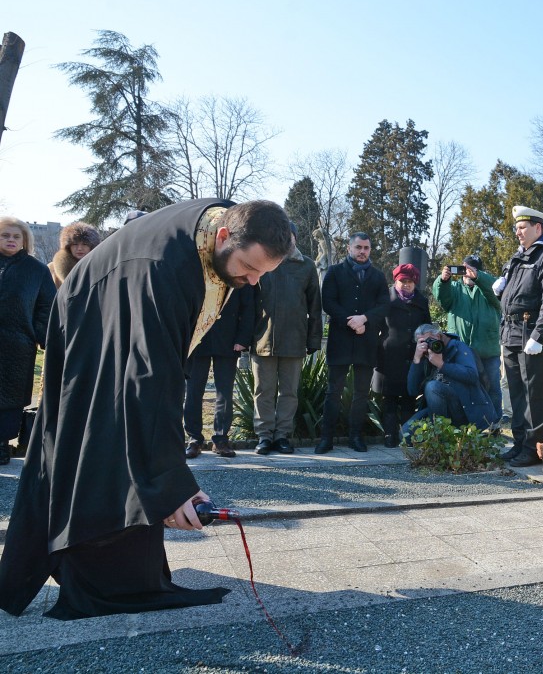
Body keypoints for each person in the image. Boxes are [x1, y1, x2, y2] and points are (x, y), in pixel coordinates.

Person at [0, 199, 292, 620]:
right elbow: (154, 386)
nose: (250, 281)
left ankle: (120, 568)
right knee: (101, 426)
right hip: (94, 309)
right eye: (249, 268)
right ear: (225, 237)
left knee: (123, 428)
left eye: (262, 273)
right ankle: (89, 562)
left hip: (122, 292)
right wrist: (172, 487)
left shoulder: (229, 225)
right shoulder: (166, 271)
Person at [494, 205, 543, 467]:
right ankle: (519, 443)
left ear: (538, 228)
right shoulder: (518, 258)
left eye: (522, 227)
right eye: (516, 228)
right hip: (511, 333)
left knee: (532, 393)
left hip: (531, 334)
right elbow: (516, 297)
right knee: (516, 393)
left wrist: (538, 335)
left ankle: (535, 449)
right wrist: (500, 291)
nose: (518, 232)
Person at [251, 223, 322, 455]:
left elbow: (315, 306)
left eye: (288, 235)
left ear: (295, 237)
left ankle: (282, 436)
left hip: (294, 339)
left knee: (289, 392)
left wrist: (313, 340)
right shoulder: (261, 263)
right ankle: (264, 436)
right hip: (263, 339)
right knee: (263, 390)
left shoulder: (307, 266)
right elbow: (249, 302)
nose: (284, 239)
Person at [315, 232, 389, 453]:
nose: (362, 252)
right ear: (349, 248)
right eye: (358, 247)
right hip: (341, 341)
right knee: (333, 391)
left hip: (366, 341)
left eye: (366, 248)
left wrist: (364, 319)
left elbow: (384, 304)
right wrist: (351, 321)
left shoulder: (377, 276)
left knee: (361, 393)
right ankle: (326, 438)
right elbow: (328, 301)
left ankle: (355, 437)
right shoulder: (335, 272)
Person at [0, 217, 56, 465]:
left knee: (10, 397)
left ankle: (2, 444)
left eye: (16, 236)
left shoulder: (37, 270)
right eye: (5, 235)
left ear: (25, 240)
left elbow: (48, 307)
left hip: (18, 345)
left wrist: (40, 335)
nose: (11, 240)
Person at [183, 284, 255, 459]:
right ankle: (194, 439)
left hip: (228, 339)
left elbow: (249, 307)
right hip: (198, 340)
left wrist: (243, 338)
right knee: (193, 391)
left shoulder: (235, 268)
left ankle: (221, 439)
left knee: (225, 393)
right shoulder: (196, 270)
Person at [432, 255, 503, 417]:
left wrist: (479, 278)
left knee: (492, 388)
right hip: (461, 351)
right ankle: (465, 425)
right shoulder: (454, 288)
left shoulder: (489, 288)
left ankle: (494, 424)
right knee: (461, 388)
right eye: (464, 269)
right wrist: (443, 280)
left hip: (488, 350)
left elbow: (497, 295)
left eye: (472, 270)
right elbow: (442, 298)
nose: (467, 273)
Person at [401, 323, 498, 441]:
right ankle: (437, 434)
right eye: (423, 342)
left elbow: (472, 376)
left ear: (439, 336)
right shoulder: (426, 355)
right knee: (404, 435)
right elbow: (412, 390)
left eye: (431, 340)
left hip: (464, 409)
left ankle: (441, 438)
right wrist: (417, 359)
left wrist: (442, 365)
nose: (429, 345)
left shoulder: (458, 347)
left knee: (433, 386)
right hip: (436, 409)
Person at [373, 263, 431, 447]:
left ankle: (407, 434)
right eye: (402, 281)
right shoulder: (385, 299)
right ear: (395, 281)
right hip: (389, 355)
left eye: (410, 281)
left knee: (409, 397)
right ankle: (389, 434)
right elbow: (376, 324)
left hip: (412, 355)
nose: (406, 284)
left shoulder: (421, 301)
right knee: (389, 397)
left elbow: (426, 326)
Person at [47, 221, 101, 289]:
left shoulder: (101, 268)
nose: (79, 248)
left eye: (84, 244)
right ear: (68, 247)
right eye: (75, 244)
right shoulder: (52, 269)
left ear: (92, 247)